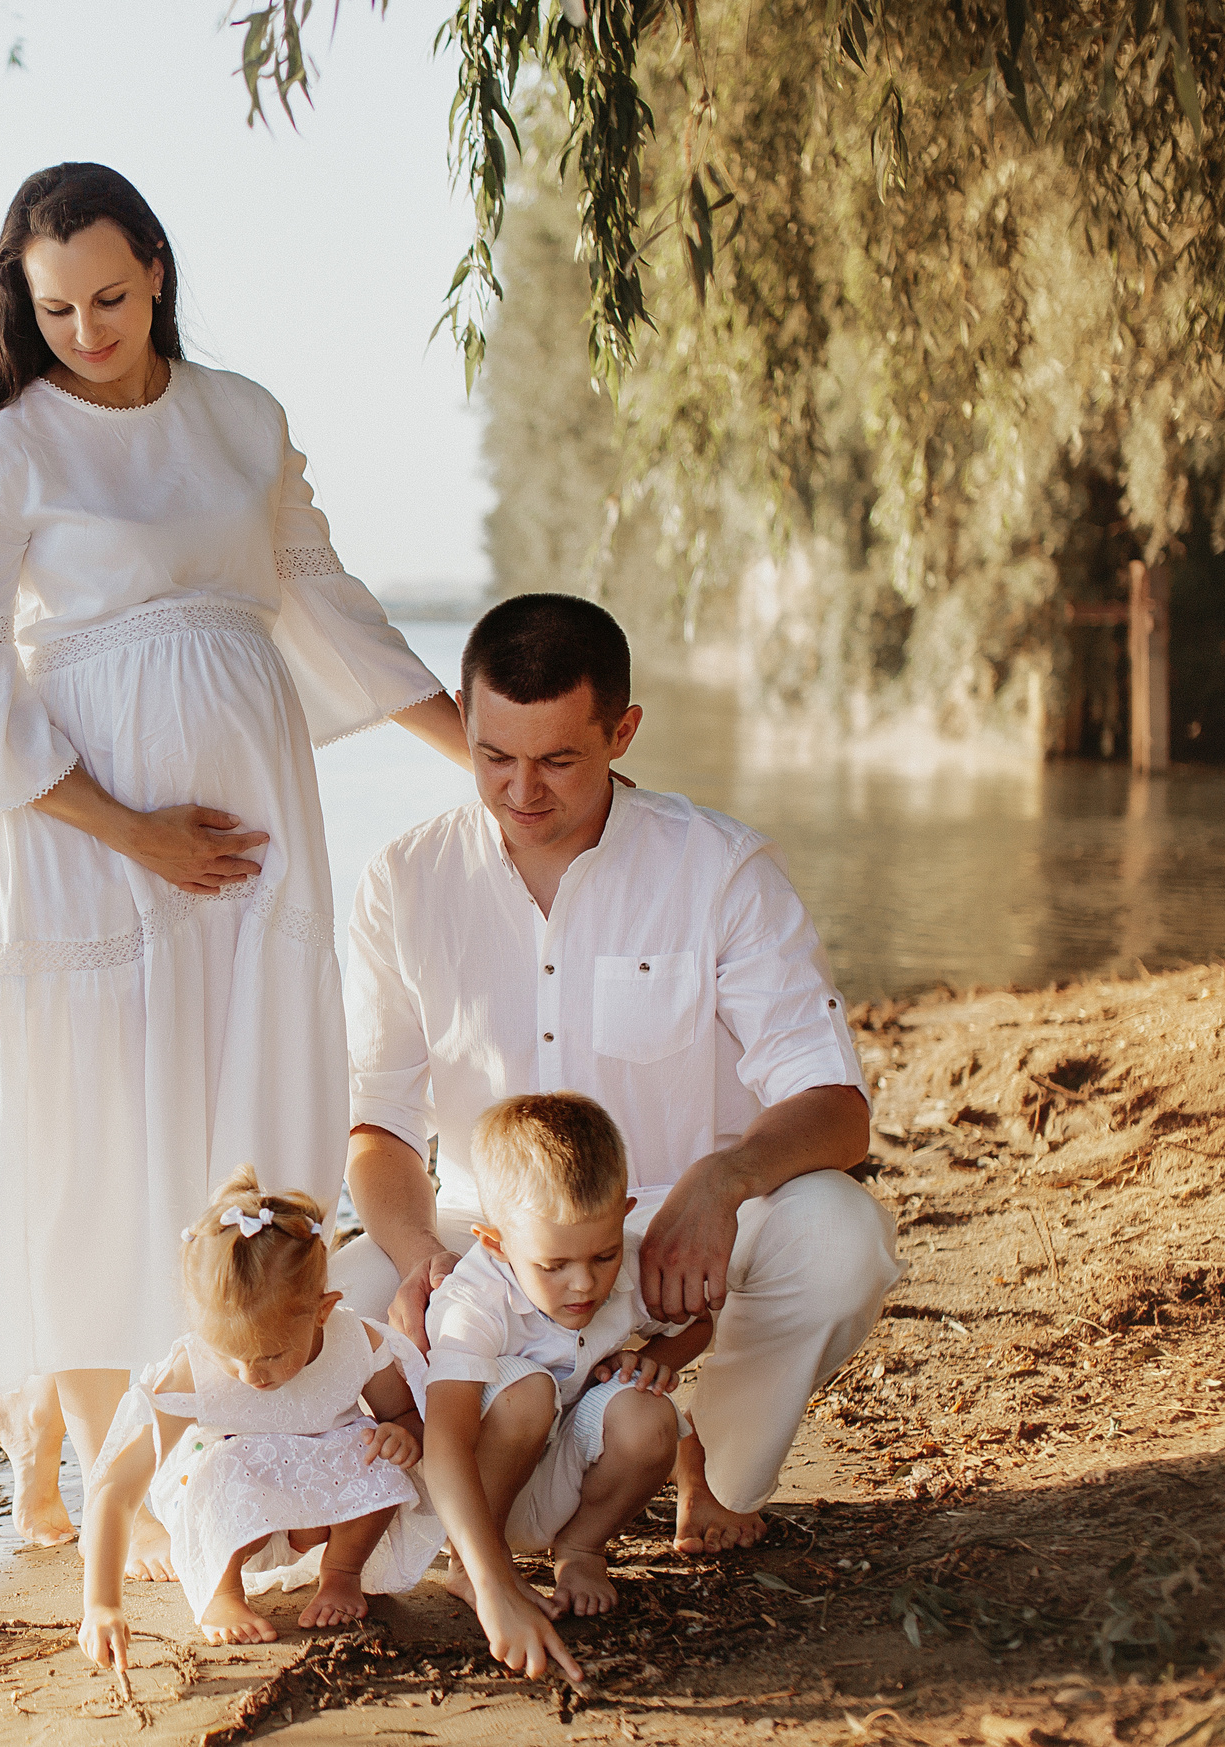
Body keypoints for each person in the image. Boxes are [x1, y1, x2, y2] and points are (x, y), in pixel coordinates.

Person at [0, 160, 469, 1567]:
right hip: (80, 845)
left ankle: (251, 1417)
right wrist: (132, 827)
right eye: (55, 310)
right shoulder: (13, 448)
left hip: (249, 825)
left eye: (110, 294)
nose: (88, 328)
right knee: (101, 1137)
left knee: (241, 1105)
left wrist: (487, 758)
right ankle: (131, 1460)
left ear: (156, 266)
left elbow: (327, 600)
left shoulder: (242, 417)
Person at [329, 591, 899, 1561]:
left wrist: (718, 1183)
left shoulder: (718, 868)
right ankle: (480, 1499)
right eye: (493, 757)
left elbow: (836, 1108)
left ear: (621, 730)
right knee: (336, 1298)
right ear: (462, 725)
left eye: (557, 759)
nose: (522, 792)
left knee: (840, 1240)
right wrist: (420, 1249)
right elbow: (377, 1123)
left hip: (675, 1234)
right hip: (489, 1237)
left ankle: (701, 1462)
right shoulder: (404, 880)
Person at [75, 1167, 442, 1661]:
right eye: (231, 1355)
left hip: (325, 1509)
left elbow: (403, 1414)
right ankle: (223, 1595)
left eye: (270, 1355)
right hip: (237, 1517)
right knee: (219, 1461)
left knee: (373, 1446)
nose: (251, 1374)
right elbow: (116, 1489)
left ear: (322, 1309)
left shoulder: (357, 1342)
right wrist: (100, 1604)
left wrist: (404, 1434)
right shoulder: (194, 1369)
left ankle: (341, 1574)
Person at [421, 1093, 712, 1684]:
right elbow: (444, 1444)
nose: (584, 1283)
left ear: (625, 1216)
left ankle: (581, 1550)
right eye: (553, 1265)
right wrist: (492, 1582)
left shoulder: (628, 1266)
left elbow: (699, 1321)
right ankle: (472, 1570)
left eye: (601, 1255)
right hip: (473, 1503)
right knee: (526, 1390)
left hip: (562, 1485)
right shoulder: (473, 1301)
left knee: (647, 1413)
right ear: (495, 1243)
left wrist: (655, 1358)